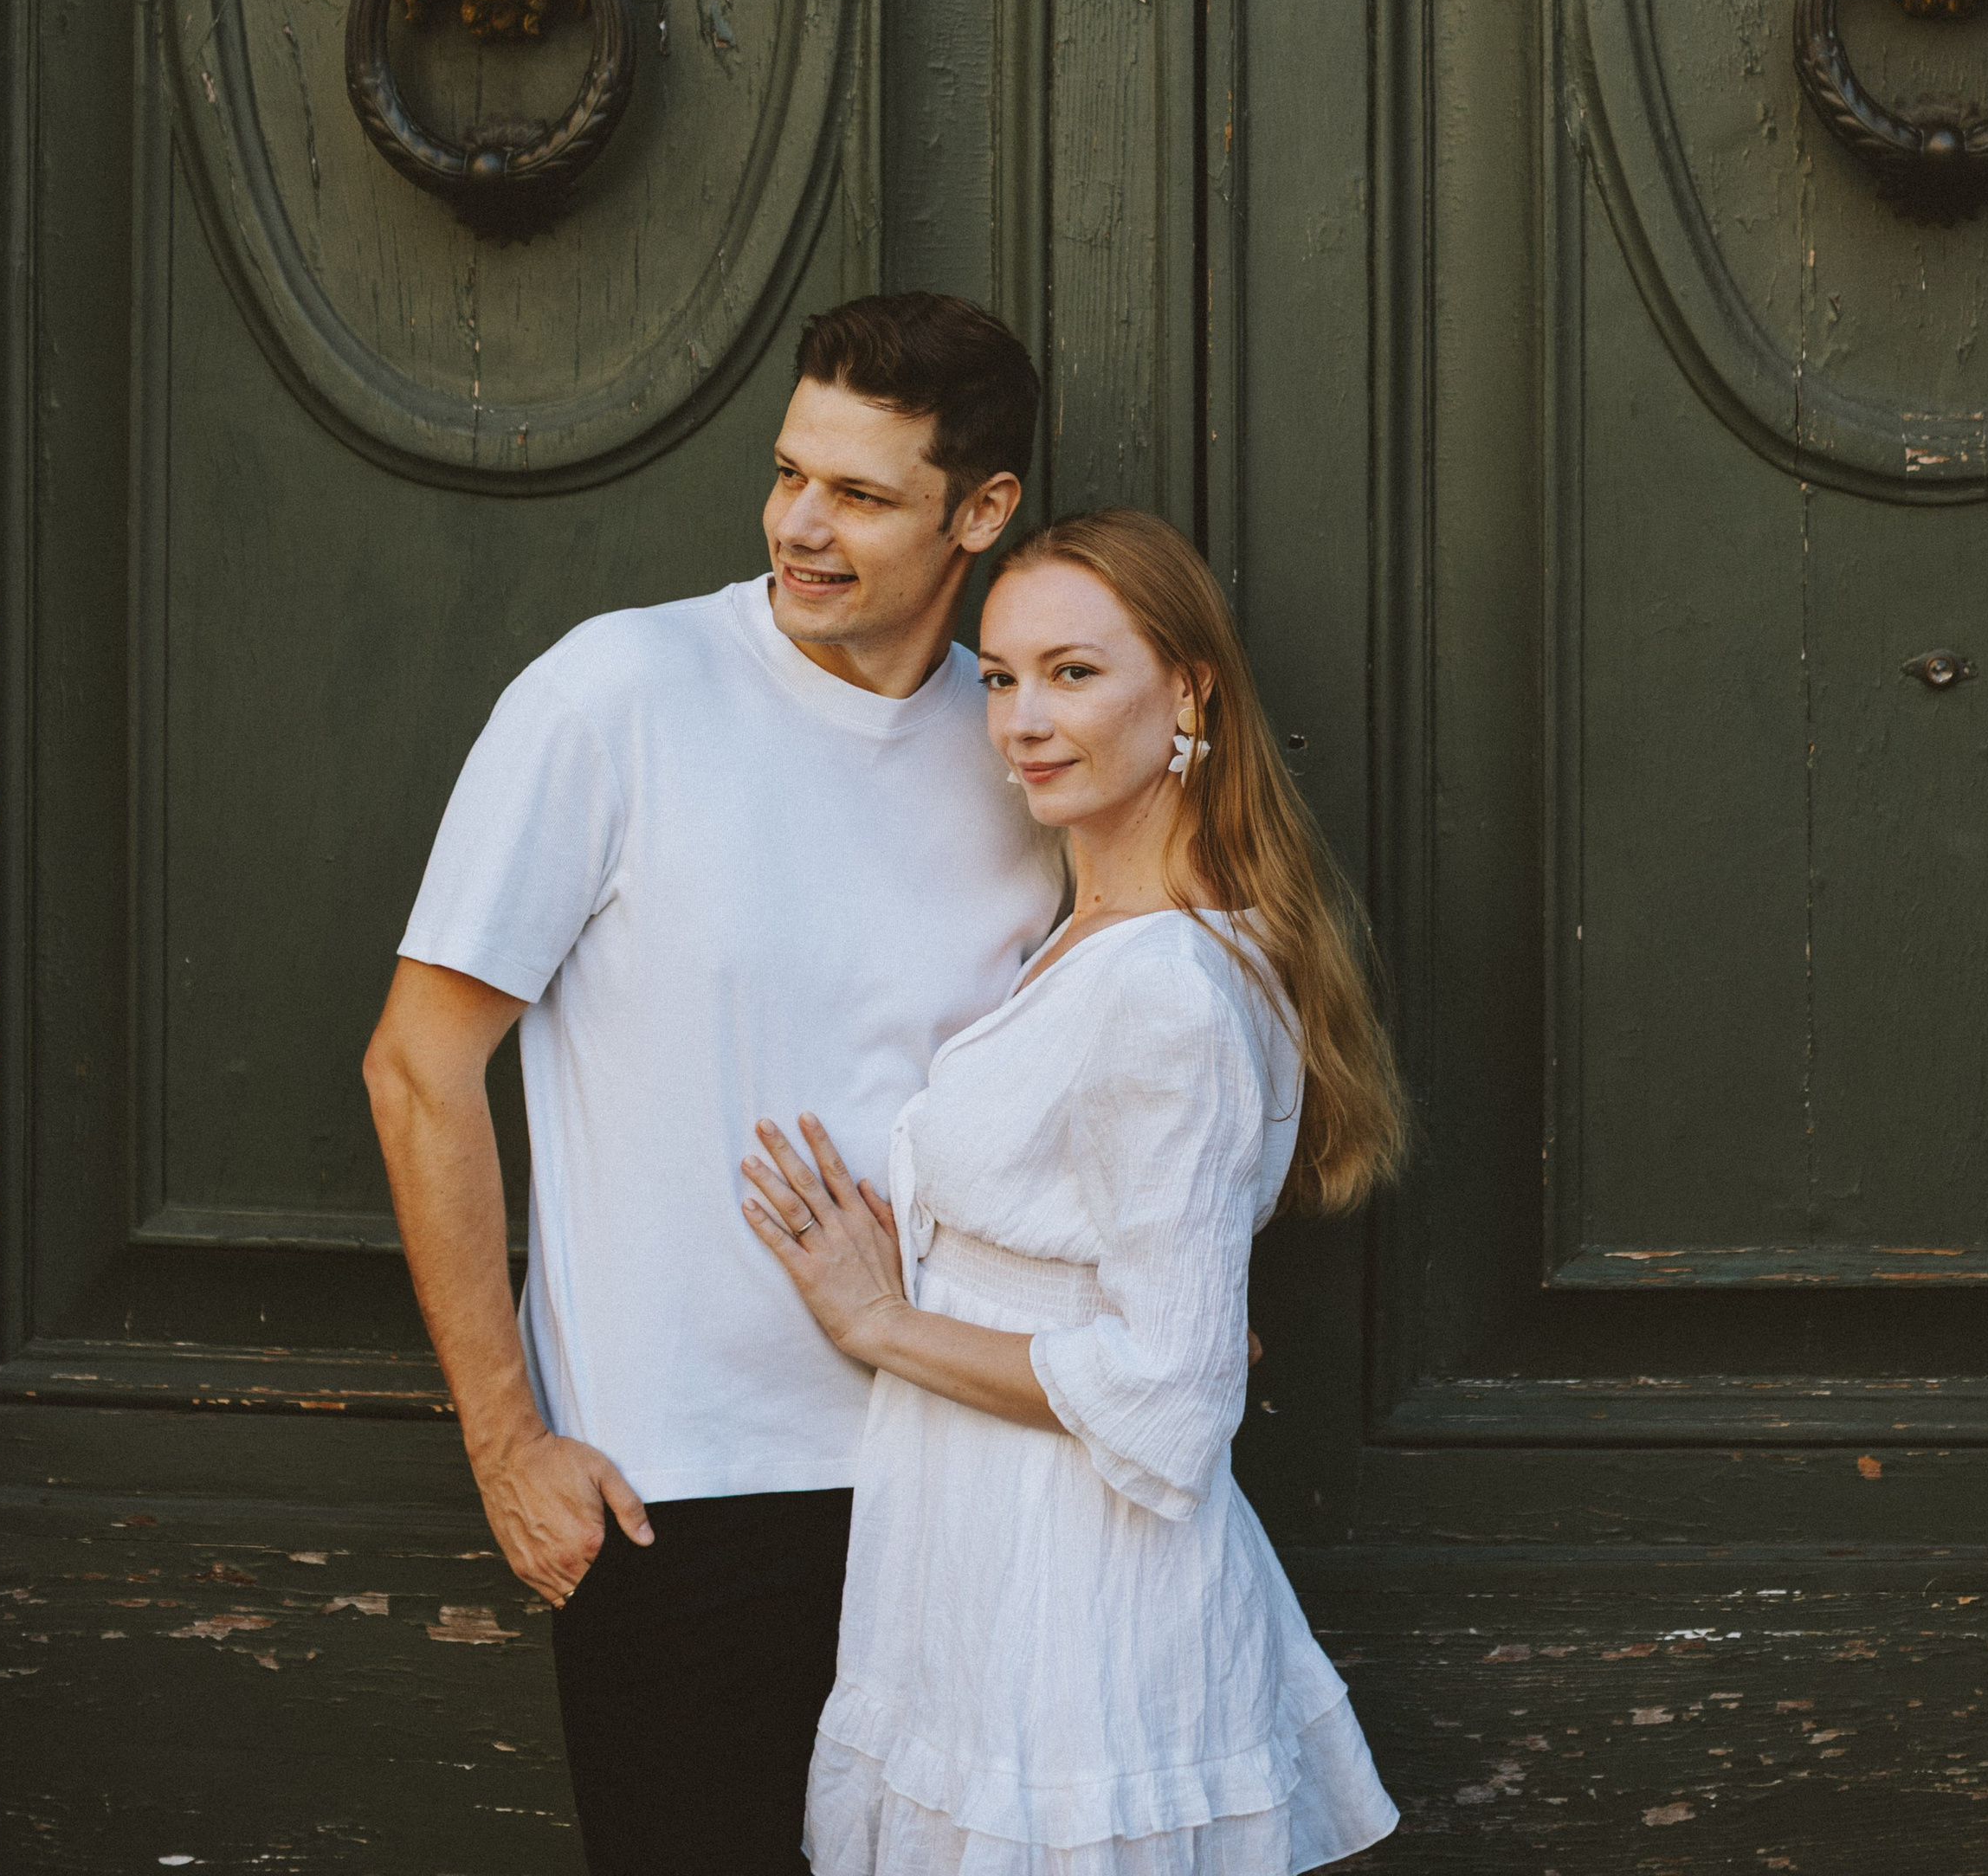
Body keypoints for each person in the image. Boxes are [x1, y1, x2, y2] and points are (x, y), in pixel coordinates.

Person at [362, 293, 1068, 1876]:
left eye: (862, 496)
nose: (800, 528)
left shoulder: (1025, 747)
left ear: (985, 509)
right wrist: (506, 1442)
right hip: (677, 1499)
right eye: (790, 474)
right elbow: (420, 1069)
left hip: (961, 1478)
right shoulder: (614, 697)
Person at [742, 506, 1406, 1875]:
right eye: (998, 676)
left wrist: (879, 1324)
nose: (1022, 719)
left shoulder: (1163, 985)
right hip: (983, 1555)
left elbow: (1171, 1389)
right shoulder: (1100, 934)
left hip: (1071, 1596)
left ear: (1189, 689)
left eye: (1073, 672)